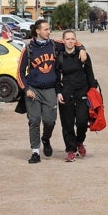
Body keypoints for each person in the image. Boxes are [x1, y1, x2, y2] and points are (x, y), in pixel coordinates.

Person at [18, 20, 86, 164]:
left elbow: (73, 42)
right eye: (46, 29)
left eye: (49, 29)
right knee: (34, 120)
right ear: (37, 31)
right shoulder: (28, 48)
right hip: (34, 90)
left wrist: (83, 49)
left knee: (49, 121)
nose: (49, 32)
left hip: (50, 90)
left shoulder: (54, 44)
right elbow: (19, 72)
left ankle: (46, 139)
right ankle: (35, 152)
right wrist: (26, 89)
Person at [55, 30, 98, 162]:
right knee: (67, 125)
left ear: (76, 40)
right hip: (66, 93)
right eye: (67, 39)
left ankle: (79, 142)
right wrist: (58, 92)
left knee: (82, 122)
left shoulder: (83, 55)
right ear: (63, 41)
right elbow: (56, 78)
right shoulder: (59, 57)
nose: (70, 41)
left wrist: (93, 91)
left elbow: (90, 75)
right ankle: (71, 150)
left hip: (82, 93)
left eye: (72, 39)